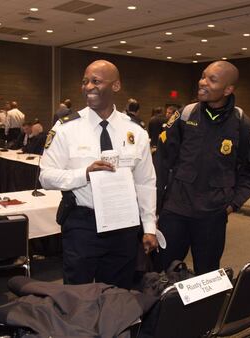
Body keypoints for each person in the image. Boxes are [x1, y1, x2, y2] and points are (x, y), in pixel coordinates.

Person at [39, 60, 158, 289]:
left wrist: (149, 227)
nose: (88, 87)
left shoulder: (135, 130)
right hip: (82, 223)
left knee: (117, 293)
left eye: (96, 81)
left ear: (115, 86)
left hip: (123, 223)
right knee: (77, 294)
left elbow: (145, 182)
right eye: (85, 82)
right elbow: (45, 176)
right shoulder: (65, 128)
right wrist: (84, 173)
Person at [155, 61, 250, 275]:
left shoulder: (242, 123)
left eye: (211, 80)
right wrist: (157, 205)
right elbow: (162, 160)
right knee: (164, 271)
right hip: (175, 209)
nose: (202, 82)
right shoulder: (185, 114)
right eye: (203, 76)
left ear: (228, 89)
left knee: (207, 275)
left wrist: (232, 204)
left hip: (212, 214)